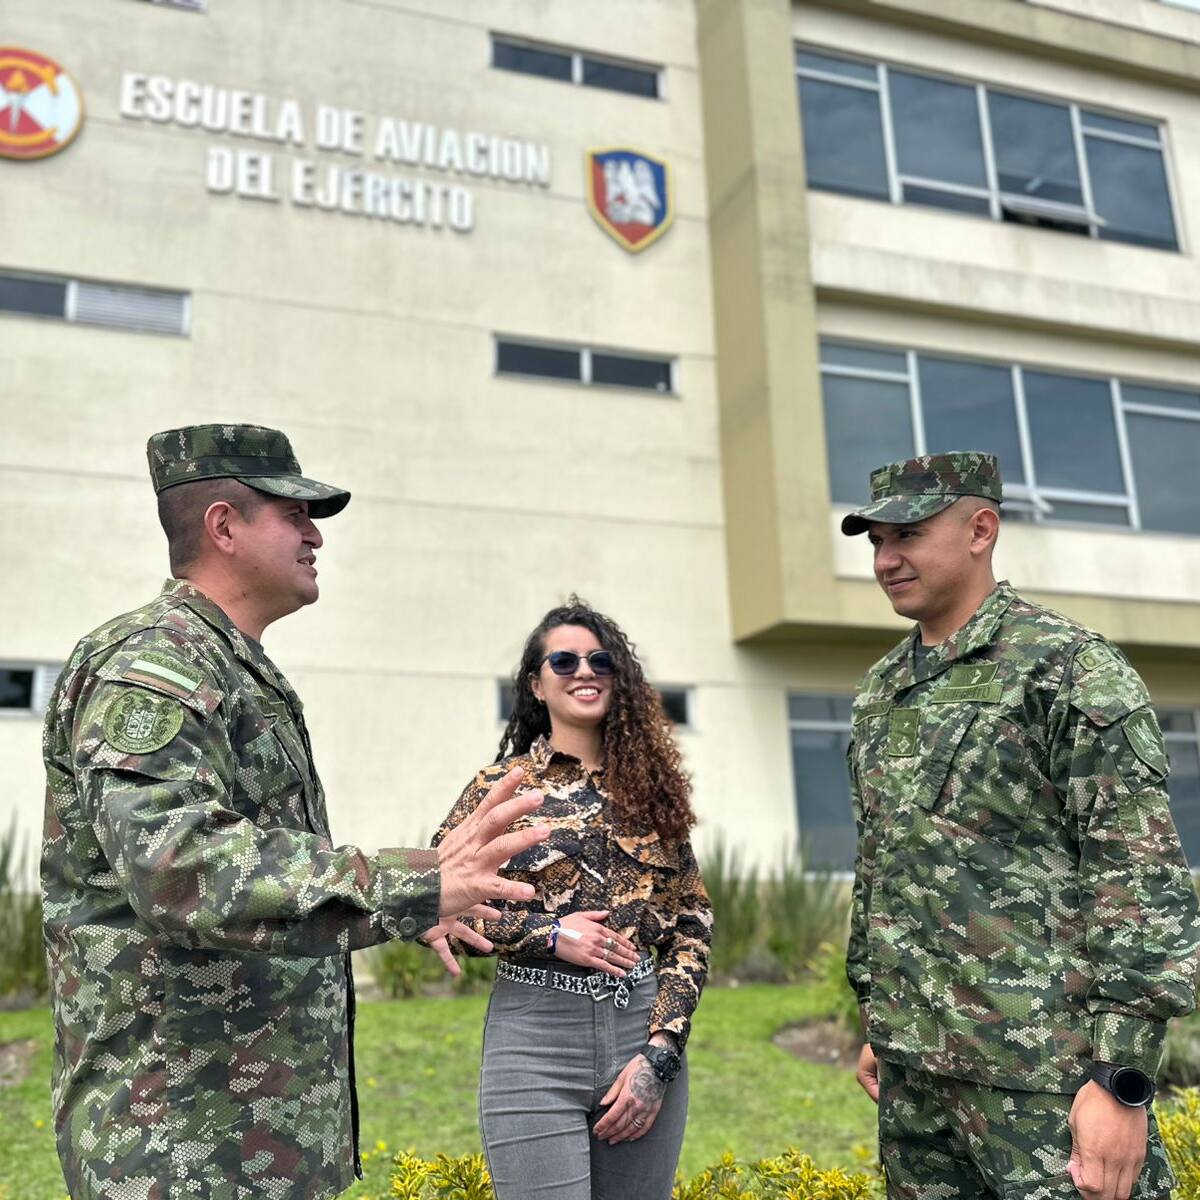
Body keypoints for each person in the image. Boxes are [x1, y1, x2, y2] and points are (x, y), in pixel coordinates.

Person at [41, 423, 550, 1200]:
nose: (316, 535)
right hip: (180, 1150)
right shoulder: (157, 665)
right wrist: (413, 884)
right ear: (224, 526)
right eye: (295, 513)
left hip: (253, 1142)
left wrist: (417, 903)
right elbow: (179, 866)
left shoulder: (235, 666)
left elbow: (255, 858)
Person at [841, 450, 1200, 1200]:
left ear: (981, 530)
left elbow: (1138, 875)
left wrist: (1121, 1078)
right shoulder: (882, 690)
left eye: (905, 534)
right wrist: (881, 1016)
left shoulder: (1066, 667)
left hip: (1046, 1080)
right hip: (917, 1078)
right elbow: (880, 864)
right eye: (874, 540)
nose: (886, 558)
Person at [433, 598, 712, 1200]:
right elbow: (444, 909)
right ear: (537, 684)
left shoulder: (650, 788)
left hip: (642, 1032)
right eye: (563, 660)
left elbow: (691, 923)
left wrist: (662, 1054)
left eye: (599, 660)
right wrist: (553, 935)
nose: (584, 671)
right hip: (534, 1037)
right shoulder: (500, 788)